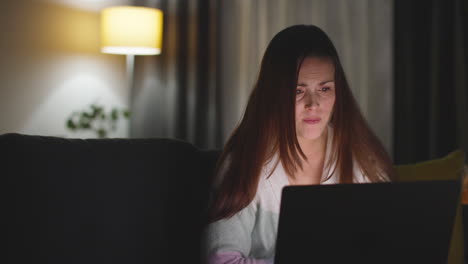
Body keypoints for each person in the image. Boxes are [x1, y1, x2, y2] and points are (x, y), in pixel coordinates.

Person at [203, 24, 395, 264]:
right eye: (298, 90)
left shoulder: (362, 158)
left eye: (325, 89)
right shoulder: (245, 162)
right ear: (274, 94)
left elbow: (387, 246)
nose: (313, 104)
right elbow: (220, 260)